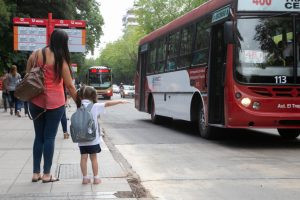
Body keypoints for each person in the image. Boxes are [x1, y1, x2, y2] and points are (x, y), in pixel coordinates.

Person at [27, 29, 77, 183]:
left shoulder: (35, 54)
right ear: (63, 43)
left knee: (39, 137)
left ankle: (36, 173)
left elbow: (28, 76)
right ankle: (47, 174)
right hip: (55, 103)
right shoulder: (61, 60)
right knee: (49, 137)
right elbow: (69, 85)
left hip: (35, 100)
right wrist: (81, 104)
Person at [76, 85, 128, 184]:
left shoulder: (79, 106)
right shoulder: (95, 106)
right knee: (94, 158)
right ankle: (96, 178)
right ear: (93, 96)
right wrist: (120, 101)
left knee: (83, 158)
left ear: (81, 96)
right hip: (93, 139)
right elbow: (108, 103)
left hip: (81, 139)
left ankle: (85, 178)